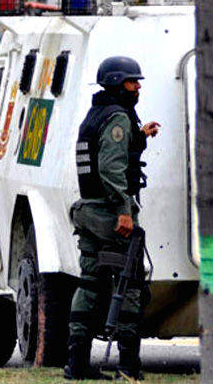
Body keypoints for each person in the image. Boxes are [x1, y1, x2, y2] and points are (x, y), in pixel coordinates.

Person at [65, 56, 161, 381]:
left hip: (89, 210)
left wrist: (140, 137)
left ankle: (76, 363)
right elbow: (111, 167)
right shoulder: (118, 118)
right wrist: (123, 210)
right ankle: (127, 365)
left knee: (90, 281)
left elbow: (108, 154)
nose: (138, 88)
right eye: (133, 82)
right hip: (110, 214)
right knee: (129, 282)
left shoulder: (97, 114)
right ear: (119, 83)